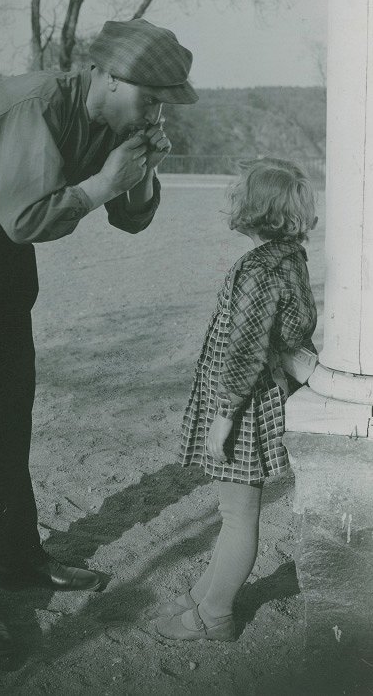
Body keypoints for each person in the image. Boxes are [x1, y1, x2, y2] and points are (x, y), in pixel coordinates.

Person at [0, 18, 198, 659]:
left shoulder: (113, 118)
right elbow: (30, 216)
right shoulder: (34, 104)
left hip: (7, 244)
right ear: (110, 76)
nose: (154, 113)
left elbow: (131, 219)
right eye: (150, 99)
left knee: (11, 402)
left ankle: (18, 561)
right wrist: (100, 183)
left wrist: (141, 168)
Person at [154, 157, 318, 643]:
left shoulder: (259, 268)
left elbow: (245, 351)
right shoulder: (290, 256)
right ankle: (205, 594)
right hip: (256, 395)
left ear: (255, 208)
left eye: (238, 194)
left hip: (242, 405)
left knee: (237, 514)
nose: (231, 201)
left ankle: (215, 616)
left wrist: (222, 419)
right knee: (235, 511)